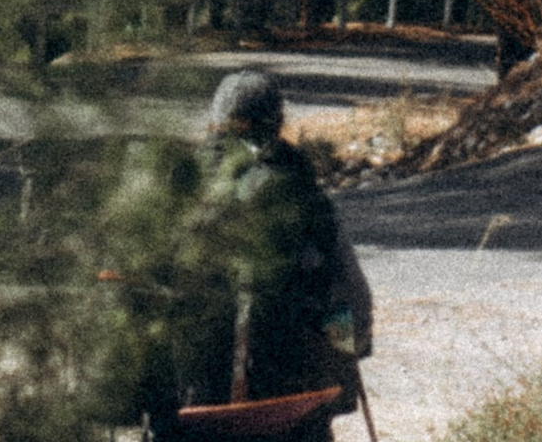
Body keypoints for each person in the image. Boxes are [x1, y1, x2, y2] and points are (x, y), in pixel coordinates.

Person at [127, 70, 370, 442]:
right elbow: (352, 301)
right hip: (290, 405)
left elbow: (133, 290)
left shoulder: (177, 186)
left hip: (190, 405)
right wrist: (347, 361)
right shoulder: (304, 192)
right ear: (278, 125)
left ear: (215, 124)